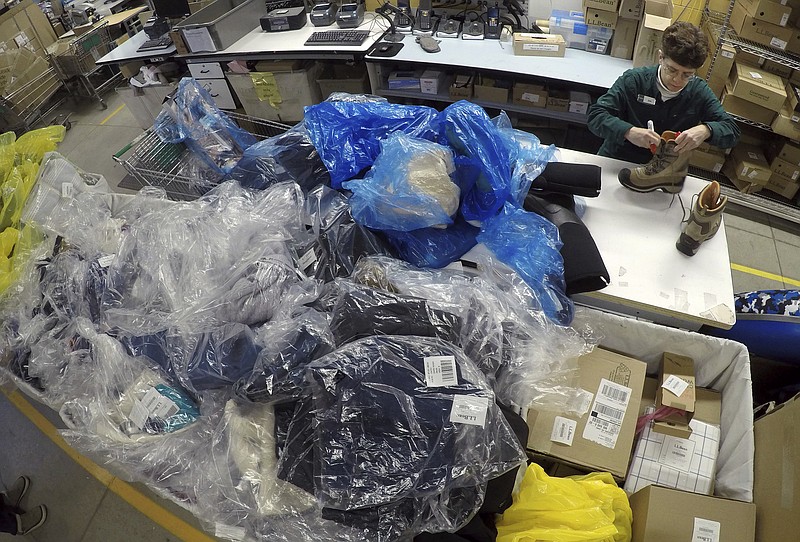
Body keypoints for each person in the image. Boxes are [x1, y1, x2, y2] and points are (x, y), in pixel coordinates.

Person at [587, 21, 740, 166]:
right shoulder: (634, 80)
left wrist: (707, 130)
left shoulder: (698, 92)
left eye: (687, 75)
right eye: (672, 70)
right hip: (618, 161)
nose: (677, 80)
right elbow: (596, 115)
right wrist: (628, 131)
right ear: (660, 57)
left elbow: (731, 130)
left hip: (662, 172)